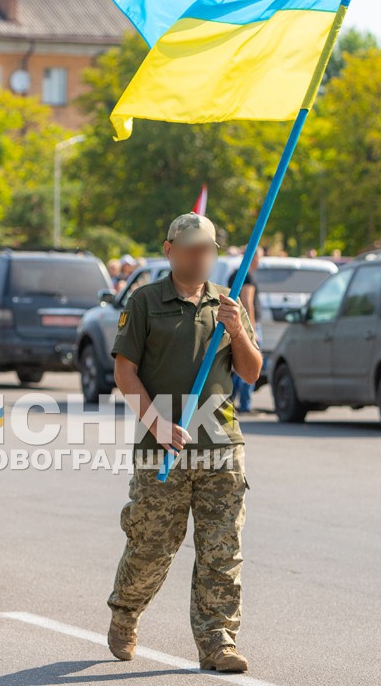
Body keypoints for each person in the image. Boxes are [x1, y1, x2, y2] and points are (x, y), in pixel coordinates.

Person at [106, 213, 260, 674]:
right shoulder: (146, 301)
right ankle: (125, 612)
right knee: (151, 545)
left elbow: (251, 372)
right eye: (191, 248)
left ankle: (218, 639)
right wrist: (156, 423)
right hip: (163, 448)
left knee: (222, 549)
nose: (199, 256)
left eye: (207, 249)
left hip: (220, 444)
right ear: (170, 249)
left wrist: (236, 330)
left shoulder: (227, 306)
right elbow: (124, 372)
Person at [227, 246, 262, 413]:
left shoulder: (235, 274)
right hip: (245, 324)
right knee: (250, 365)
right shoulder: (246, 276)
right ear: (252, 257)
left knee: (235, 367)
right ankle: (246, 405)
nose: (259, 261)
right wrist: (252, 329)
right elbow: (247, 302)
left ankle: (230, 400)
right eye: (258, 257)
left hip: (235, 323)